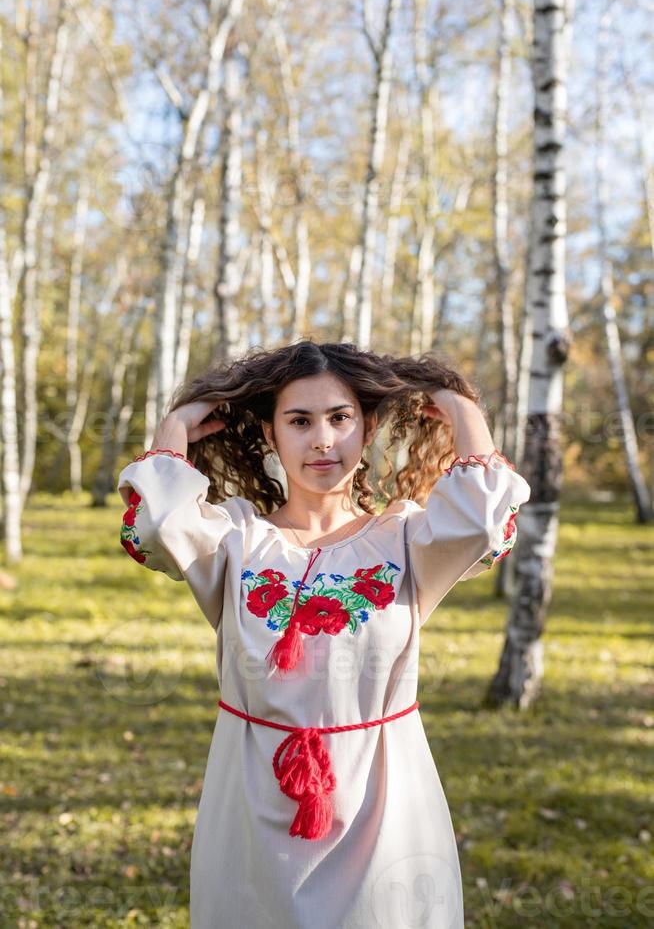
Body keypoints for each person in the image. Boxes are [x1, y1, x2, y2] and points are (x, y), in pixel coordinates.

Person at [117, 340, 531, 928]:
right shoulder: (235, 539)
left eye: (340, 418)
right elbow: (156, 527)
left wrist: (462, 408)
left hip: (383, 806)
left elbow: (488, 520)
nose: (322, 440)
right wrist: (175, 426)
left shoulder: (408, 540)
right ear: (270, 432)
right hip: (251, 802)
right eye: (299, 420)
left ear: (366, 428)